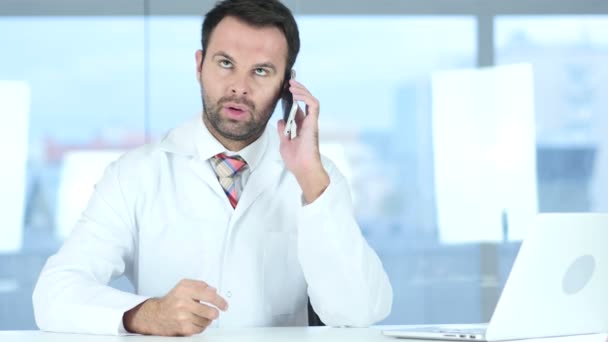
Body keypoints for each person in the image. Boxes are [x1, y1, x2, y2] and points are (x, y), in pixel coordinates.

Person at [32, 0, 392, 336]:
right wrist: (146, 313)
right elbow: (54, 293)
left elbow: (359, 312)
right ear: (199, 65)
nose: (239, 87)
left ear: (287, 85)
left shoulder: (316, 177)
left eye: (262, 71)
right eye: (225, 63)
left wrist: (310, 178)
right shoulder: (136, 174)